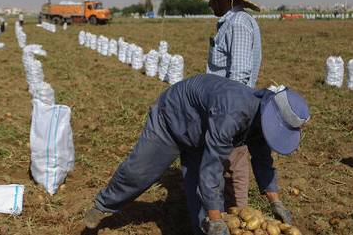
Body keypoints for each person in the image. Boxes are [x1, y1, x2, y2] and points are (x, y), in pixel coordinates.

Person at [83, 74, 310, 235]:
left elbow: (262, 161)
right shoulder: (235, 112)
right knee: (140, 171)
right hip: (172, 119)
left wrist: (276, 202)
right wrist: (216, 219)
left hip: (203, 132)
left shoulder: (260, 123)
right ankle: (103, 205)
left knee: (206, 201)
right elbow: (212, 167)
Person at [184, 0, 292, 224]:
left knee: (233, 159)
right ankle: (233, 213)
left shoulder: (239, 24)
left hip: (229, 106)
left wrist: (226, 115)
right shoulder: (230, 23)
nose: (210, 3)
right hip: (227, 104)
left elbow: (239, 76)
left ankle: (237, 215)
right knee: (232, 158)